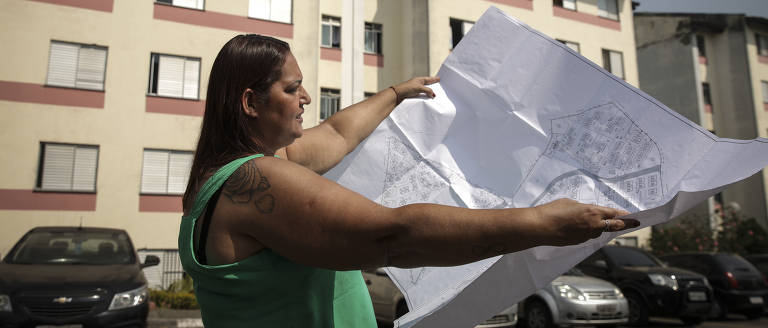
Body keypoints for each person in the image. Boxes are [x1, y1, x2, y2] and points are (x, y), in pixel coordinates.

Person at [179, 34, 638, 328]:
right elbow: (394, 235)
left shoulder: (226, 177)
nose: (306, 97)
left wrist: (396, 93)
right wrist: (541, 223)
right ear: (250, 102)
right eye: (290, 88)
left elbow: (339, 133)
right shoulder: (256, 181)